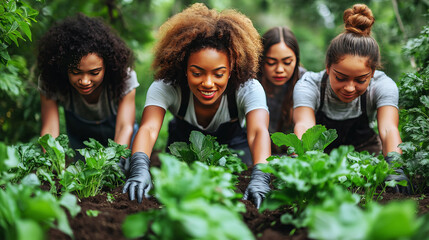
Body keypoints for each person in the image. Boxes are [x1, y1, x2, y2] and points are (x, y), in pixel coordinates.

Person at [122, 3, 271, 208]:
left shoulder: (248, 89)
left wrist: (261, 176)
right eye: (197, 73)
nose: (208, 83)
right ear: (184, 68)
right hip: (182, 149)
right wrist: (139, 169)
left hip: (234, 149)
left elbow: (258, 132)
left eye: (218, 74)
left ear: (231, 69)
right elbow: (148, 129)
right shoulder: (166, 87)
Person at [292, 4, 409, 193]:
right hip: (321, 158)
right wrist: (303, 167)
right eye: (340, 77)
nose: (349, 87)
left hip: (366, 155)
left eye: (361, 80)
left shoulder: (383, 86)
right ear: (328, 67)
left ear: (372, 74)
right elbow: (304, 127)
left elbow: (388, 129)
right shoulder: (309, 86)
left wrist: (395, 168)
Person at [37, 13, 139, 155]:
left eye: (94, 73)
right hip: (82, 146)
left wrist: (114, 166)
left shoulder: (124, 77)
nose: (85, 81)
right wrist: (52, 163)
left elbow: (124, 127)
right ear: (63, 67)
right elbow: (50, 129)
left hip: (123, 142)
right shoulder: (51, 80)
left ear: (107, 67)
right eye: (75, 72)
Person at [259, 26, 306, 154]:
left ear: (296, 61)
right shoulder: (252, 81)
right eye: (271, 62)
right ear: (261, 61)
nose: (279, 69)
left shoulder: (305, 81)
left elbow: (304, 125)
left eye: (287, 62)